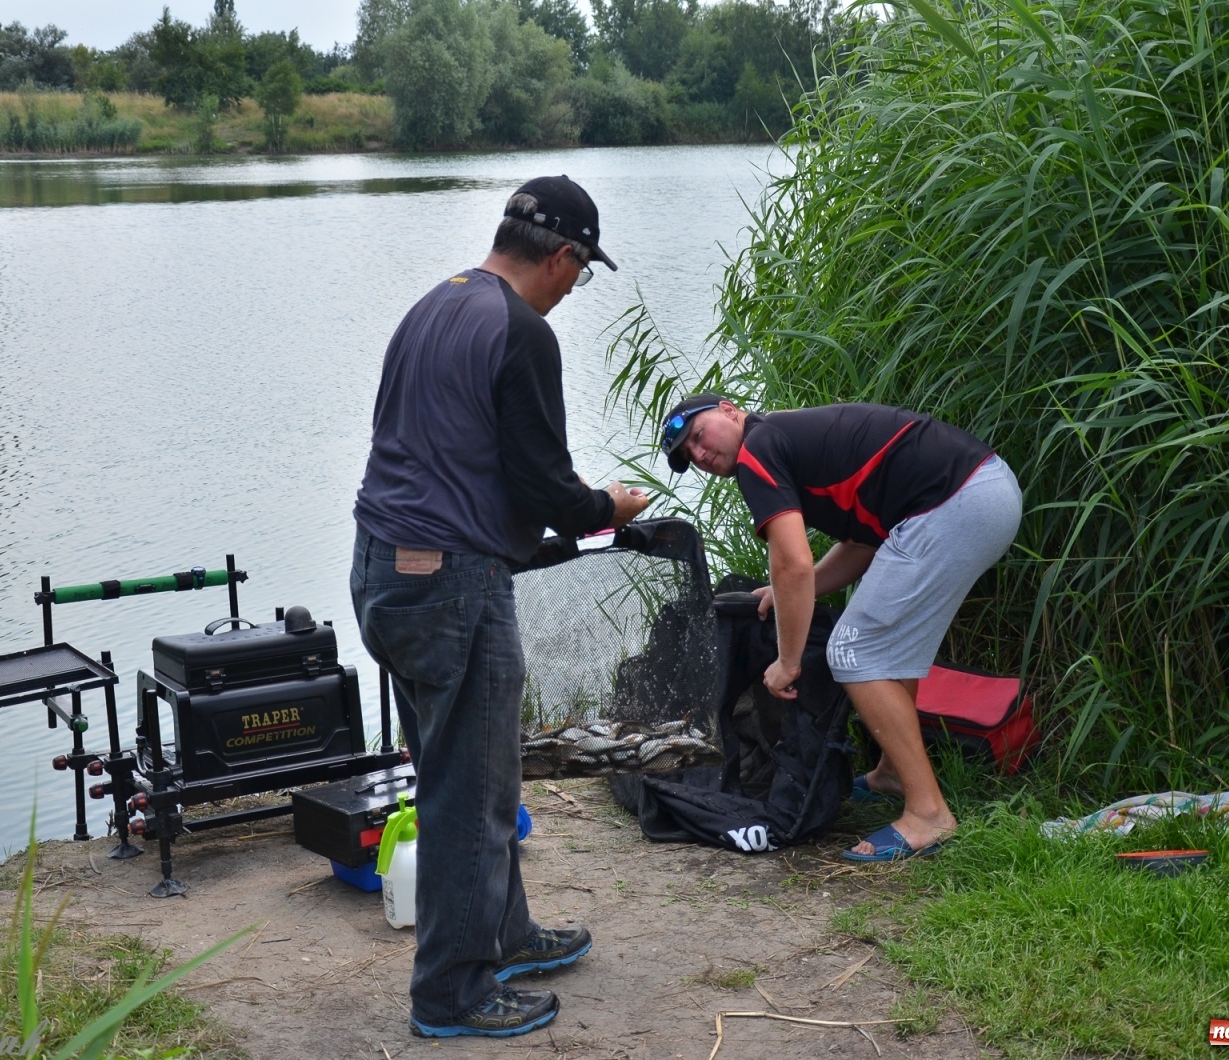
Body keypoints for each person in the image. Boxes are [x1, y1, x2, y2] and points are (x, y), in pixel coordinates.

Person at [350, 175, 651, 1038]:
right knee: (469, 793)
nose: (573, 288)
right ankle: (450, 992)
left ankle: (506, 934)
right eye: (581, 271)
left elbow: (437, 449)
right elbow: (543, 484)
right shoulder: (522, 331)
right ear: (563, 256)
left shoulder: (434, 304)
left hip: (382, 570)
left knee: (468, 774)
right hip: (450, 582)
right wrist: (606, 509)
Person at [661, 394, 1021, 861]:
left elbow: (793, 563)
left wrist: (787, 662)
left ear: (730, 411)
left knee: (853, 649)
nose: (701, 455)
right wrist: (783, 592)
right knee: (890, 649)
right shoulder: (784, 439)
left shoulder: (758, 449)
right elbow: (861, 544)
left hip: (956, 501)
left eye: (697, 436)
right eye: (690, 456)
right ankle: (893, 772)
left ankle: (928, 814)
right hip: (983, 491)